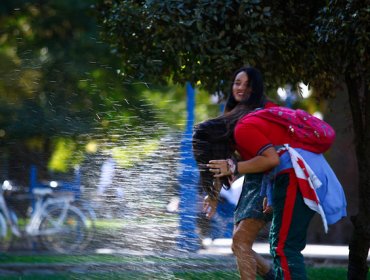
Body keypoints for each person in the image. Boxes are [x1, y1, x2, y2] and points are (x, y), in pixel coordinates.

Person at [206, 104, 347, 279]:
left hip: (296, 175)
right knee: (282, 245)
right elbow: (275, 156)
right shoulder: (248, 125)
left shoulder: (242, 129)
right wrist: (269, 194)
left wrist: (233, 167)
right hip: (300, 173)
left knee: (284, 247)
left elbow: (271, 159)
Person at [195, 66, 276, 279]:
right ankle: (274, 277)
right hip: (253, 181)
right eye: (237, 83)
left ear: (255, 88)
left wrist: (235, 167)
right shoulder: (235, 115)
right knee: (238, 245)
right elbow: (227, 159)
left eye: (247, 84)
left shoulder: (263, 111)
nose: (241, 88)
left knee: (240, 242)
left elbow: (271, 158)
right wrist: (212, 195)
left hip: (273, 179)